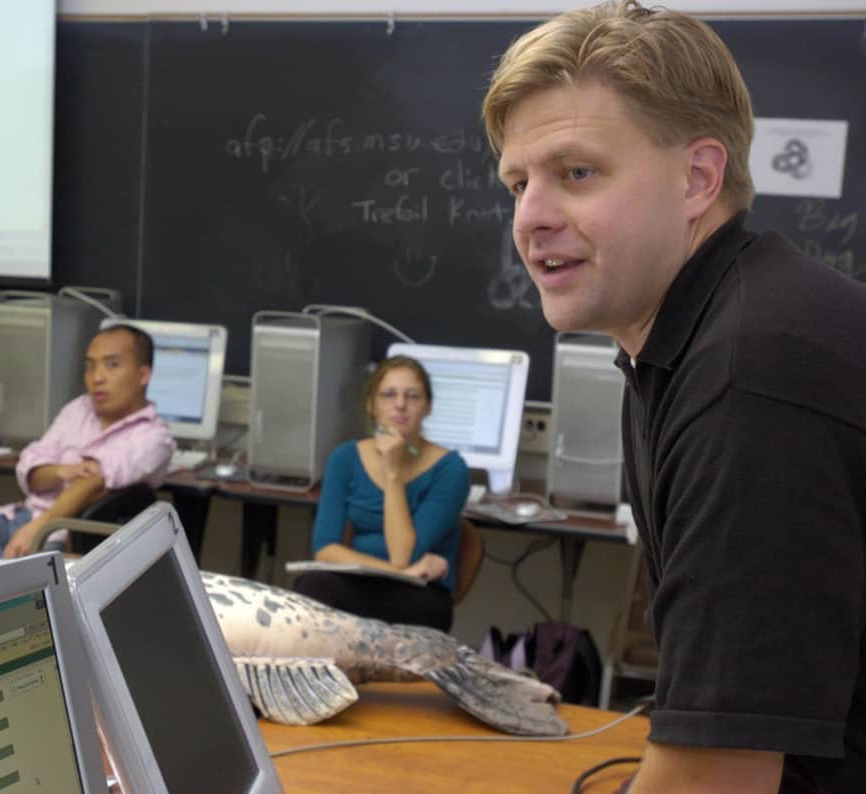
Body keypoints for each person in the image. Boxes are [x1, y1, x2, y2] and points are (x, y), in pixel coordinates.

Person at [483, 2, 866, 791]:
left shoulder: (749, 377)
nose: (531, 219)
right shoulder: (699, 330)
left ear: (698, 178)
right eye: (518, 183)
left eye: (576, 173)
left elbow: (715, 776)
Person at [0, 323, 175, 561]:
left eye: (112, 365)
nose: (97, 377)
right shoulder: (78, 409)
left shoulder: (153, 438)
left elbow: (94, 482)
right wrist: (60, 472)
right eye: (90, 367)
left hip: (55, 537)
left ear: (143, 375)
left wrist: (37, 528)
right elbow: (31, 467)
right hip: (18, 519)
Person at [293, 356, 470, 632]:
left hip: (421, 594)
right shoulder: (345, 458)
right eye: (388, 395)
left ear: (428, 407)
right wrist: (397, 572)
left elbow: (403, 555)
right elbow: (326, 549)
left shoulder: (451, 469)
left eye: (413, 396)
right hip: (361, 582)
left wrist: (393, 473)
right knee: (312, 586)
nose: (400, 404)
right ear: (370, 405)